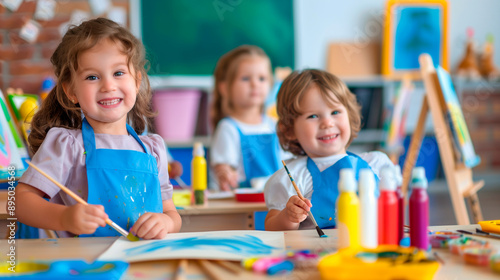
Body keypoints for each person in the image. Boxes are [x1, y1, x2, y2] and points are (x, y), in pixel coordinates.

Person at [14, 18, 181, 239]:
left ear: (137, 81)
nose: (108, 86)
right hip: (84, 267)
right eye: (92, 77)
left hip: (140, 265)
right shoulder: (67, 144)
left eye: (119, 73)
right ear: (71, 91)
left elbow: (171, 213)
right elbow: (21, 201)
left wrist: (165, 222)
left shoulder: (153, 149)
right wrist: (65, 217)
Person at [264, 69, 395, 231]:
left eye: (335, 112)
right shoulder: (292, 176)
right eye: (313, 116)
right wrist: (288, 216)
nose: (327, 123)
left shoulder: (377, 163)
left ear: (350, 115)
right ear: (290, 130)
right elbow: (271, 227)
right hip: (319, 254)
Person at [210, 45, 292, 191]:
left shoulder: (274, 125)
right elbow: (222, 167)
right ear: (224, 88)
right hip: (243, 204)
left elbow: (289, 164)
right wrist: (225, 173)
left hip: (276, 202)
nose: (255, 84)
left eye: (262, 78)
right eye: (245, 78)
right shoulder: (228, 128)